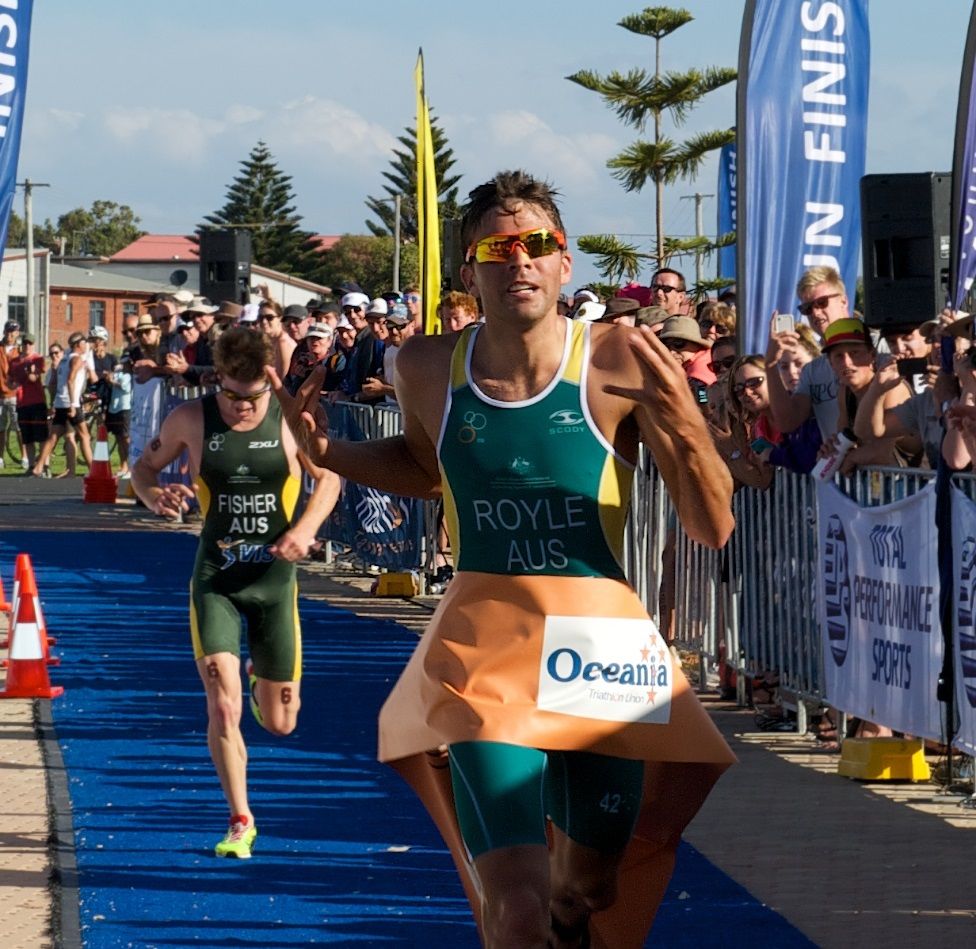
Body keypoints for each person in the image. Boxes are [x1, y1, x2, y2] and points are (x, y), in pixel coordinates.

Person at [272, 169, 735, 947]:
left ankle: (568, 913)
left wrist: (684, 421)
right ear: (470, 271)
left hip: (600, 649)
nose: (519, 260)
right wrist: (331, 452)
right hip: (486, 645)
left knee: (588, 884)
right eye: (498, 245)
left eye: (537, 245)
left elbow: (712, 525)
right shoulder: (424, 366)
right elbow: (425, 469)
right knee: (511, 907)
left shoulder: (618, 358)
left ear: (565, 265)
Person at [131, 327, 340, 858]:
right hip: (216, 580)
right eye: (232, 396)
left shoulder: (290, 420)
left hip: (274, 584)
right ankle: (240, 819)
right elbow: (143, 467)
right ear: (215, 378)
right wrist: (155, 495)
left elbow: (331, 479)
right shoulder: (191, 419)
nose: (243, 408)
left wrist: (306, 528)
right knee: (222, 707)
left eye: (254, 397)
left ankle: (258, 679)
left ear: (271, 381)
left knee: (280, 722)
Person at [32, 332, 96, 477]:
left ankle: (39, 467)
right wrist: (74, 404)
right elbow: (70, 380)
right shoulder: (76, 359)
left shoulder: (64, 359)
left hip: (60, 402)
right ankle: (94, 470)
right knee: (85, 436)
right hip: (70, 403)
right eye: (84, 343)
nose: (86, 345)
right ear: (78, 345)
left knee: (53, 436)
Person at [7, 334, 48, 471]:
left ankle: (43, 465)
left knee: (41, 436)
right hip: (22, 402)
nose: (27, 346)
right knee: (27, 438)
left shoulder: (38, 359)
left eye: (30, 344)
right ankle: (31, 465)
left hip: (37, 402)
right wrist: (13, 384)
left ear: (34, 345)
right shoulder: (14, 362)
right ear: (21, 345)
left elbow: (33, 378)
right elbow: (10, 382)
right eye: (25, 344)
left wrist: (29, 371)